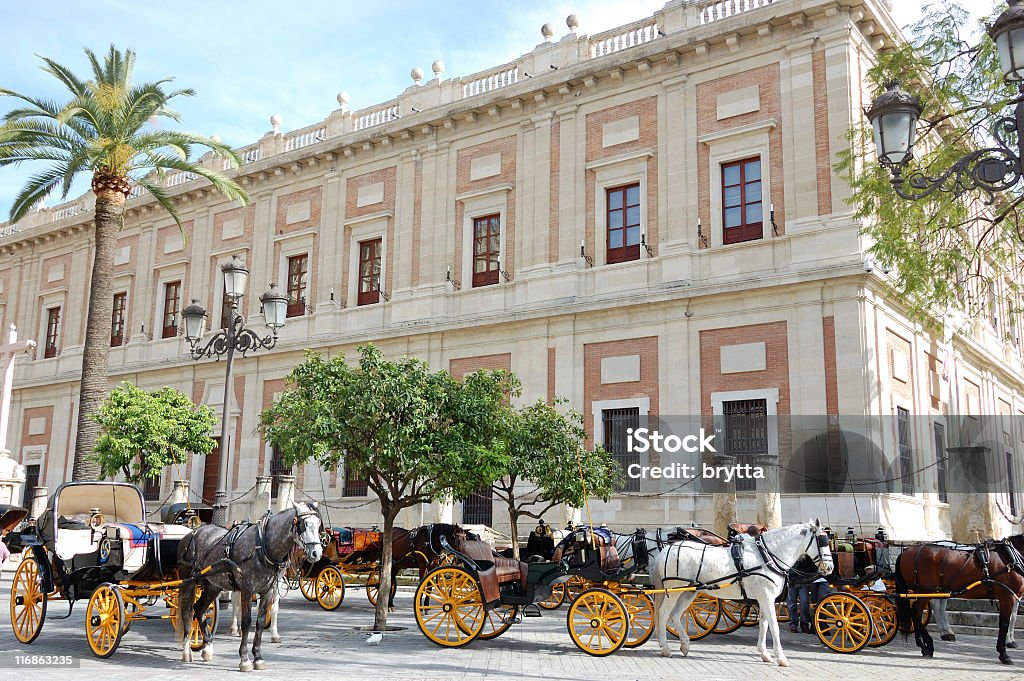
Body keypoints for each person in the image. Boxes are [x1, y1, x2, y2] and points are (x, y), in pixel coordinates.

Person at [787, 554, 819, 633]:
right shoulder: (791, 556)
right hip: (792, 582)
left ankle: (804, 624)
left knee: (804, 603)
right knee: (792, 604)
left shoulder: (806, 558)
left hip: (803, 582)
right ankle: (793, 624)